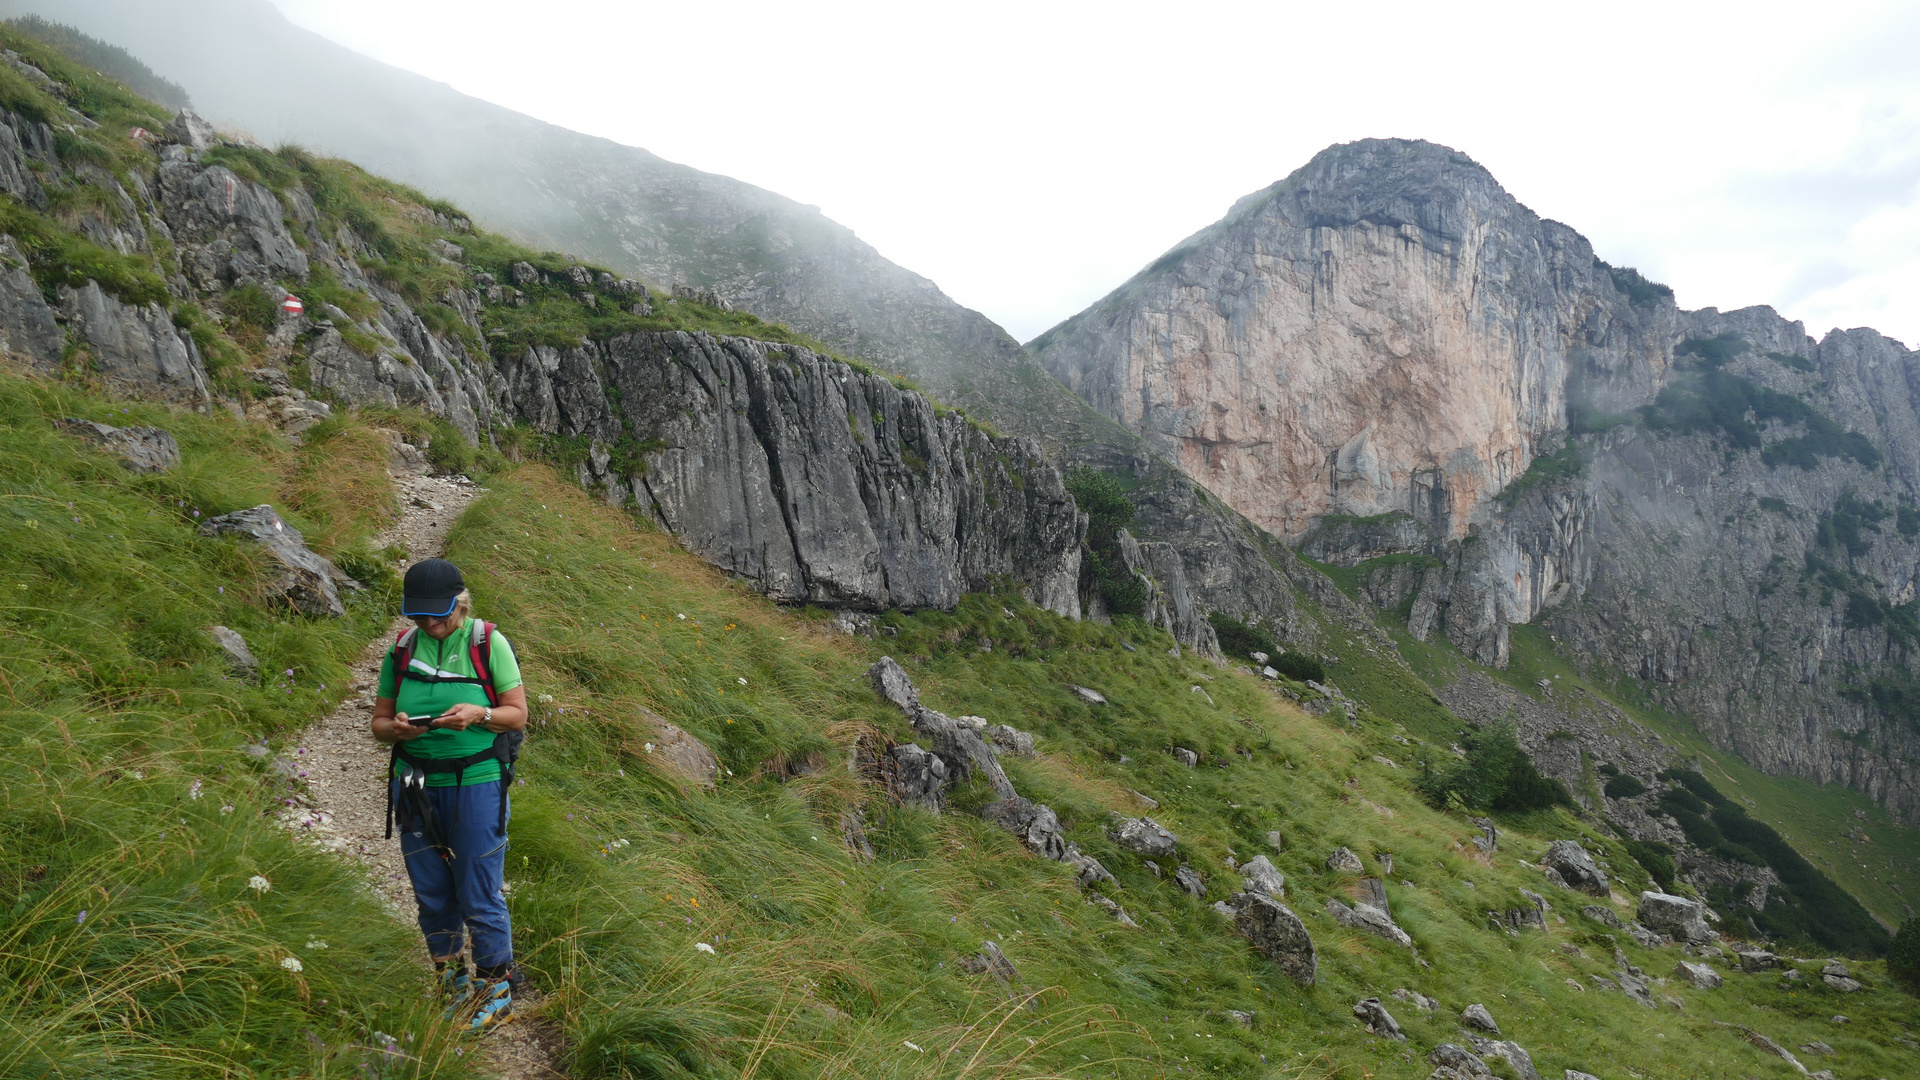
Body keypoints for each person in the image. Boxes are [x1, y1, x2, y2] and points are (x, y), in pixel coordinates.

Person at [371, 558, 529, 1033]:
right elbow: (378, 723)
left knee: (479, 889)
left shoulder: (488, 643)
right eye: (420, 617)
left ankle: (497, 990)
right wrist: (396, 730)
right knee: (431, 891)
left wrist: (479, 715)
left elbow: (516, 715)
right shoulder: (400, 650)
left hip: (476, 780)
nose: (431, 625)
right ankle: (450, 982)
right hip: (415, 784)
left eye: (440, 616)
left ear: (461, 604)